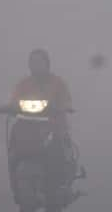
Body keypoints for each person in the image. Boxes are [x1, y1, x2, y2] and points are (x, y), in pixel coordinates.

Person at [7, 49, 75, 197]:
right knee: (14, 143)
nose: (35, 65)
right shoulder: (23, 84)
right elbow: (13, 100)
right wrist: (9, 107)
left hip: (52, 125)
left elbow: (67, 100)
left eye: (39, 62)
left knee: (56, 150)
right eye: (32, 62)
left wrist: (64, 106)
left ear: (47, 63)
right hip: (27, 126)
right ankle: (15, 178)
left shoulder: (57, 82)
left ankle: (59, 184)